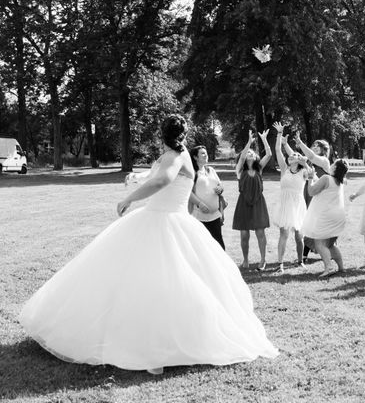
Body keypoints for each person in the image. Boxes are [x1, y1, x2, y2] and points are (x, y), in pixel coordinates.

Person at [19, 115, 278, 374]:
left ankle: (159, 345)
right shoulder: (176, 154)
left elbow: (162, 180)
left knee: (163, 280)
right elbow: (157, 174)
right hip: (158, 218)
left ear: (161, 134)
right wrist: (138, 176)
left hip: (165, 221)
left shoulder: (176, 156)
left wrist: (129, 198)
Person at [271, 122, 311, 273]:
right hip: (284, 203)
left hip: (298, 204)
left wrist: (304, 162)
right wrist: (280, 134)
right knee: (284, 233)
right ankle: (280, 263)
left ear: (299, 160)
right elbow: (277, 149)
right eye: (290, 155)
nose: (291, 156)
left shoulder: (303, 172)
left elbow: (312, 173)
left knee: (299, 235)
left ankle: (300, 260)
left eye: (295, 155)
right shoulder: (284, 169)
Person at [301, 159, 350, 277]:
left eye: (333, 164)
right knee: (330, 244)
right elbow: (323, 187)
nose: (331, 165)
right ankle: (341, 268)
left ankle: (328, 267)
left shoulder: (326, 178)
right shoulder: (339, 181)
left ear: (335, 168)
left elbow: (312, 191)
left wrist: (310, 178)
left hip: (325, 216)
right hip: (337, 216)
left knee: (320, 243)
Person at [232, 129, 272, 271]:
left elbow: (269, 154)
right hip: (243, 203)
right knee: (244, 235)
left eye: (252, 152)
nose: (249, 153)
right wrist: (249, 142)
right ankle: (246, 260)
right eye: (248, 152)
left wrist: (264, 139)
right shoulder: (239, 170)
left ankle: (263, 260)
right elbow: (242, 157)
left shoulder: (259, 169)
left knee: (260, 232)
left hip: (258, 203)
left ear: (256, 157)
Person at [291, 132, 332, 263]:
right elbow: (293, 156)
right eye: (313, 145)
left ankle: (327, 250)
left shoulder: (325, 161)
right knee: (307, 222)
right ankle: (305, 254)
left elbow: (311, 156)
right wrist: (285, 143)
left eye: (317, 146)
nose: (314, 147)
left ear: (324, 150)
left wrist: (300, 142)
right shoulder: (309, 161)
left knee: (318, 224)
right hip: (308, 193)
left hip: (320, 196)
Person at [189, 145, 226, 249]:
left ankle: (221, 265)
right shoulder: (192, 173)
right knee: (201, 246)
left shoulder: (211, 170)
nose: (206, 155)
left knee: (219, 245)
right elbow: (188, 192)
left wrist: (220, 189)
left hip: (214, 215)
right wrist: (200, 204)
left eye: (206, 153)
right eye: (202, 153)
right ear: (195, 157)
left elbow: (220, 184)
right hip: (199, 216)